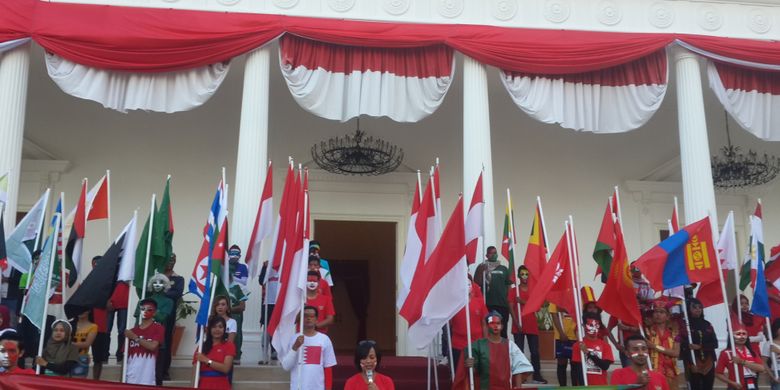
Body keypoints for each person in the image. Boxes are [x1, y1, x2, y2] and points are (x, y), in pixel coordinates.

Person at [453, 311, 533, 389]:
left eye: (498, 323)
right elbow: (472, 373)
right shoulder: (478, 345)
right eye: (492, 323)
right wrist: (470, 365)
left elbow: (519, 367)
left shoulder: (510, 345)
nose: (495, 326)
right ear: (487, 326)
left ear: (501, 326)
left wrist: (518, 388)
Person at [281, 305, 337, 390]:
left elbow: (328, 367)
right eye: (305, 316)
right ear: (301, 319)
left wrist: (328, 388)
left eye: (312, 316)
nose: (308, 318)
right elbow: (286, 366)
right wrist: (295, 347)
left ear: (316, 319)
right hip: (298, 387)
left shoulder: (324, 339)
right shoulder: (294, 339)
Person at [507, 265, 546, 384]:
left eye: (526, 274)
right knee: (519, 352)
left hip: (531, 325)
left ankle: (537, 375)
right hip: (518, 325)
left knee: (534, 351)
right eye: (522, 274)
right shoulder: (514, 291)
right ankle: (520, 377)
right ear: (518, 276)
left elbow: (537, 306)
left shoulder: (533, 290)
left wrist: (522, 301)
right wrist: (516, 322)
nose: (524, 276)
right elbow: (510, 307)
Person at [124, 298, 165, 385]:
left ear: (154, 312)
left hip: (148, 377)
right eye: (142, 309)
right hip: (131, 376)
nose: (145, 311)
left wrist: (135, 338)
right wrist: (122, 380)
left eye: (149, 309)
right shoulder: (131, 331)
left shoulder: (158, 328)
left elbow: (153, 346)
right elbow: (125, 357)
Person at [473, 246, 511, 338]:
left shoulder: (503, 268)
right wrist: (481, 270)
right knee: (488, 329)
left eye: (495, 253)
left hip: (502, 304)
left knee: (502, 329)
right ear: (487, 255)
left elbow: (508, 285)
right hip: (487, 304)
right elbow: (476, 283)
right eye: (491, 253)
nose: (494, 255)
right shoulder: (482, 267)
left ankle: (502, 351)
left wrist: (507, 299)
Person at [715, 323, 766, 390]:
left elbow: (761, 369)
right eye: (738, 334)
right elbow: (718, 373)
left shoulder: (752, 352)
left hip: (752, 386)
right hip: (735, 387)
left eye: (744, 334)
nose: (741, 337)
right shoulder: (725, 353)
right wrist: (732, 383)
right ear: (732, 336)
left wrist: (742, 361)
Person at [450, 277, 487, 369]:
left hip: (476, 344)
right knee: (458, 372)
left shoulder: (480, 302)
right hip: (458, 344)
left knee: (476, 373)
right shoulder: (453, 304)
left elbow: (484, 323)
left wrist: (485, 342)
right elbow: (450, 323)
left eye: (468, 284)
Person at [681, 298, 717, 390]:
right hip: (693, 363)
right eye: (694, 307)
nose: (698, 309)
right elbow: (683, 347)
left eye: (700, 307)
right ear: (689, 309)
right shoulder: (685, 326)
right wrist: (690, 364)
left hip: (708, 362)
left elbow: (715, 343)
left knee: (708, 387)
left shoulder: (707, 324)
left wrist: (700, 346)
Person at [645, 298, 681, 389]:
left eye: (662, 312)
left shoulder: (674, 332)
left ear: (668, 316)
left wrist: (654, 346)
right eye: (656, 312)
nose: (658, 314)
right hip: (653, 370)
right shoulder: (647, 331)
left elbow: (675, 353)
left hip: (671, 371)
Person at [571, 312, 613, 385]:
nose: (594, 328)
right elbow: (577, 370)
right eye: (590, 325)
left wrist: (588, 353)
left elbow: (605, 366)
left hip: (601, 386)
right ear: (583, 326)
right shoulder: (578, 345)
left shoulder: (605, 346)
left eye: (596, 325)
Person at [194, 316, 235, 390]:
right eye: (214, 327)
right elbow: (194, 371)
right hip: (204, 384)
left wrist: (206, 360)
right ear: (209, 329)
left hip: (221, 384)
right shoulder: (201, 347)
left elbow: (225, 368)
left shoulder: (229, 346)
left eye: (220, 327)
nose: (217, 329)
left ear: (224, 329)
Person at [162, 253, 185, 379]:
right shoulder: (156, 276)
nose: (171, 262)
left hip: (169, 315)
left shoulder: (178, 279)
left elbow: (177, 293)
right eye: (169, 259)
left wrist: (161, 291)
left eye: (173, 260)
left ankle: (165, 371)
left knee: (166, 341)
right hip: (154, 315)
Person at [89, 256, 110, 380]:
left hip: (100, 325)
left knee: (98, 358)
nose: (97, 265)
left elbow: (111, 304)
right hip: (84, 325)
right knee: (80, 355)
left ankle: (95, 382)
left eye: (99, 263)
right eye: (95, 263)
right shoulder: (86, 282)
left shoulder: (108, 283)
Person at [227, 246, 248, 365]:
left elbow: (243, 283)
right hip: (224, 310)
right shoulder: (222, 287)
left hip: (236, 309)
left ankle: (237, 355)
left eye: (236, 253)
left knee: (237, 332)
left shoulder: (243, 267)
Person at [549, 303, 578, 386]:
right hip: (561, 336)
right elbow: (554, 314)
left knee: (575, 364)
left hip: (575, 336)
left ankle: (575, 387)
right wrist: (561, 333)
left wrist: (564, 308)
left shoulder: (576, 295)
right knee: (561, 363)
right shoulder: (555, 297)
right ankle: (562, 387)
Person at [258, 260, 279, 364]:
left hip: (279, 303)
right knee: (266, 328)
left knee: (277, 329)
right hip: (267, 303)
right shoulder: (267, 268)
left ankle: (275, 350)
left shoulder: (284, 267)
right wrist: (264, 268)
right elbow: (261, 281)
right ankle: (264, 355)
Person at [107, 275, 129, 363]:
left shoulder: (128, 263)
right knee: (107, 329)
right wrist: (107, 300)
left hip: (123, 297)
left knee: (122, 330)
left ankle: (120, 354)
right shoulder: (111, 264)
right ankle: (104, 354)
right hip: (110, 299)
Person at [70, 308, 97, 378]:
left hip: (81, 357)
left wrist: (69, 344)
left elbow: (87, 343)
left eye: (83, 309)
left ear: (89, 311)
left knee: (78, 382)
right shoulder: (70, 324)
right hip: (67, 356)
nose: (80, 312)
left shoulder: (93, 326)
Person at [762, 318, 780, 390]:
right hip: (777, 372)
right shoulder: (769, 344)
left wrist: (778, 351)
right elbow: (763, 362)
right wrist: (772, 376)